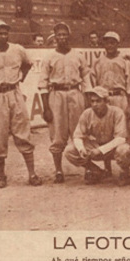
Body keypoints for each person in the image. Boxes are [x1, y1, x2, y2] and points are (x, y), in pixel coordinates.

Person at [0, 20, 42, 188]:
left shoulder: (17, 49)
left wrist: (19, 79)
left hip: (14, 92)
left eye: (5, 33)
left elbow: (27, 64)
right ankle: (1, 176)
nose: (2, 36)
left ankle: (32, 174)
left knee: (23, 132)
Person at [39, 22, 92, 184]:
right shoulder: (49, 57)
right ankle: (58, 170)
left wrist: (88, 102)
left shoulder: (78, 55)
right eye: (59, 35)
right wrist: (46, 107)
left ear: (69, 36)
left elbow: (86, 80)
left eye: (64, 34)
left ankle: (88, 168)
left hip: (76, 94)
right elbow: (43, 83)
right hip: (57, 95)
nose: (62, 38)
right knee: (57, 134)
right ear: (55, 37)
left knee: (81, 133)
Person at [64, 86, 127, 184]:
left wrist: (101, 150)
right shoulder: (87, 113)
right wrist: (81, 149)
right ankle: (96, 171)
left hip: (112, 148)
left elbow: (121, 138)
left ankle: (125, 173)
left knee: (124, 150)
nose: (94, 104)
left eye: (98, 101)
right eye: (92, 101)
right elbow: (77, 135)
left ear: (106, 101)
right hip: (96, 145)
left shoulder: (117, 112)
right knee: (69, 151)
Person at [90, 31, 130, 119]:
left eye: (112, 43)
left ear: (117, 44)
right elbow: (93, 85)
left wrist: (129, 106)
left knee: (122, 127)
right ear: (103, 44)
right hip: (103, 99)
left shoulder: (125, 61)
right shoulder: (97, 62)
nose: (109, 45)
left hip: (120, 98)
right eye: (107, 43)